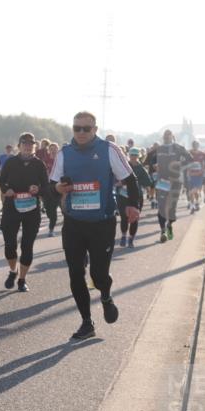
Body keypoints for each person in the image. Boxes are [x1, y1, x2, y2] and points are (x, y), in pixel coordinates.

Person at [51, 111, 139, 341]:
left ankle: (106, 296)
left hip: (102, 223)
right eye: (76, 128)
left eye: (86, 129)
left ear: (95, 129)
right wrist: (59, 189)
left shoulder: (109, 150)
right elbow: (51, 185)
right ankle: (86, 322)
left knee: (98, 275)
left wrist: (133, 206)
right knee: (75, 273)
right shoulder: (64, 153)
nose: (81, 133)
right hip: (73, 223)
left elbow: (130, 180)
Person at [0, 133, 49, 291]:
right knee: (10, 245)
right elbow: (1, 181)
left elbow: (46, 186)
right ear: (19, 146)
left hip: (31, 208)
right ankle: (13, 271)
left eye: (31, 144)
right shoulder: (10, 162)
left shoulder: (39, 164)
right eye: (24, 143)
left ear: (34, 146)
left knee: (27, 246)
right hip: (12, 206)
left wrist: (38, 189)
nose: (28, 146)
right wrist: (7, 190)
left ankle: (22, 279)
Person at [153, 129, 191, 242]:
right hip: (162, 181)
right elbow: (150, 161)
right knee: (161, 206)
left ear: (172, 136)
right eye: (165, 136)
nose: (166, 138)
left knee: (172, 208)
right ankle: (163, 231)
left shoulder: (178, 148)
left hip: (175, 181)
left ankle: (169, 225)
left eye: (168, 136)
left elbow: (190, 159)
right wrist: (154, 166)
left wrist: (180, 164)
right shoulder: (159, 148)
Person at [119, 147, 151, 248]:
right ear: (129, 155)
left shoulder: (141, 169)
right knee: (124, 217)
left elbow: (148, 182)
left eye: (135, 155)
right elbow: (116, 177)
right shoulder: (123, 165)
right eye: (132, 155)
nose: (133, 157)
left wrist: (137, 183)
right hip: (123, 195)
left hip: (137, 196)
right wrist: (120, 182)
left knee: (134, 218)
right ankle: (124, 236)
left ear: (139, 156)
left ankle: (131, 239)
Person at [186, 140, 205, 213]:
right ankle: (194, 205)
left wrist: (202, 171)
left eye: (196, 145)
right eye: (193, 145)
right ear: (192, 145)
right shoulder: (188, 153)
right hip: (190, 175)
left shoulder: (203, 154)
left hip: (199, 176)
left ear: (198, 146)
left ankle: (195, 203)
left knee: (193, 191)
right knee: (194, 192)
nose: (195, 146)